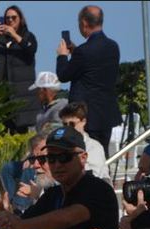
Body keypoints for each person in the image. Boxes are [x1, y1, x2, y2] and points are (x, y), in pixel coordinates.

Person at [0, 126, 119, 229]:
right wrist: (2, 221)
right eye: (51, 158)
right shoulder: (53, 195)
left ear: (83, 158)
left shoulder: (99, 189)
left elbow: (66, 218)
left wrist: (18, 224)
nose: (57, 164)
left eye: (64, 157)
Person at [56, 5, 121, 157]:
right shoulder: (113, 46)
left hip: (86, 115)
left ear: (84, 23)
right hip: (105, 113)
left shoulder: (83, 51)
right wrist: (76, 51)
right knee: (102, 155)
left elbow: (63, 75)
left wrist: (62, 56)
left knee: (85, 155)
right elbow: (94, 66)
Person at [0, 5, 40, 133]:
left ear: (20, 19)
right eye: (7, 18)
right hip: (4, 91)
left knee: (22, 127)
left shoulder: (28, 36)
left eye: (14, 17)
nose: (10, 20)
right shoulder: (1, 39)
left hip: (23, 90)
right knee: (4, 128)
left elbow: (31, 49)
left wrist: (15, 35)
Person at [58, 101, 111, 183]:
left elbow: (93, 175)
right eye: (65, 124)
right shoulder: (60, 145)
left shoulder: (93, 147)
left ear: (83, 121)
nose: (68, 128)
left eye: (72, 124)